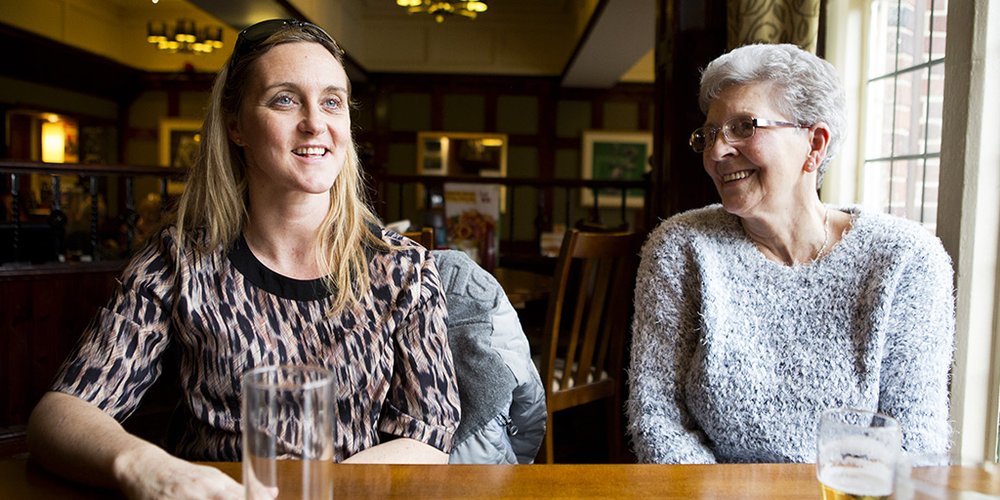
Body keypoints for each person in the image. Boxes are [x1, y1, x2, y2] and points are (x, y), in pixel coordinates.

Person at [27, 19, 461, 498]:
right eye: (284, 99)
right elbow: (60, 414)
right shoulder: (180, 260)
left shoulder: (403, 269)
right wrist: (148, 467)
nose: (316, 122)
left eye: (332, 101)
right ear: (236, 125)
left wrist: (322, 491)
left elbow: (427, 435)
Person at [626, 43, 954, 465]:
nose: (716, 152)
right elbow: (658, 419)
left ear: (814, 144)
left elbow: (917, 442)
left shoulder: (906, 260)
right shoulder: (681, 248)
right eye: (709, 134)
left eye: (744, 127)